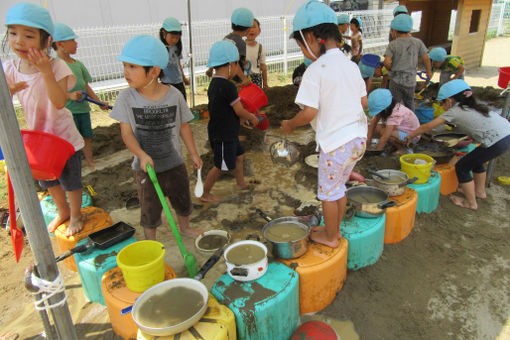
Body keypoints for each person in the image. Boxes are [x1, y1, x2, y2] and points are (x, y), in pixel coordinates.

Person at [282, 0, 368, 248]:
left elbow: (309, 113)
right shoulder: (351, 65)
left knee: (328, 193)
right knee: (338, 188)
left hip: (336, 144)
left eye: (301, 45)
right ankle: (334, 229)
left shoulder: (315, 70)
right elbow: (363, 101)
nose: (302, 51)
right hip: (358, 140)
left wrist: (289, 124)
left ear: (311, 36)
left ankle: (330, 237)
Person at [110, 35, 203, 239]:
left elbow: (184, 126)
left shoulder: (174, 95)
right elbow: (126, 133)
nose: (126, 72)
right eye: (125, 65)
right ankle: (151, 240)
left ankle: (185, 228)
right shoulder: (126, 98)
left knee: (182, 199)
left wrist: (194, 154)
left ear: (154, 71)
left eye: (133, 66)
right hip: (146, 168)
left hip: (174, 162)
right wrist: (141, 155)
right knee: (149, 206)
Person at [4, 3, 84, 236]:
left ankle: (76, 214)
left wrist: (46, 72)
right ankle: (63, 212)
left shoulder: (56, 66)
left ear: (46, 41)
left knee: (71, 181)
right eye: (12, 33)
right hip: (40, 139)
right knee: (50, 181)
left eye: (29, 35)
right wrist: (7, 92)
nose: (19, 41)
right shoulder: (10, 68)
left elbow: (59, 101)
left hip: (64, 138)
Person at [406, 80, 510, 210]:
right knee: (476, 160)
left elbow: (428, 126)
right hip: (505, 134)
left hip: (496, 141)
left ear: (449, 101)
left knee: (462, 167)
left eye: (441, 102)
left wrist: (410, 135)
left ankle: (470, 203)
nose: (441, 105)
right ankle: (479, 192)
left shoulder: (454, 111)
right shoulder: (473, 105)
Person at [200, 41, 259, 203]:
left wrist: (239, 122)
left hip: (223, 130)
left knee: (239, 155)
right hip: (224, 135)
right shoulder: (228, 86)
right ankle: (205, 193)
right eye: (236, 65)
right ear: (231, 65)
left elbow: (224, 110)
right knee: (220, 166)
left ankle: (240, 183)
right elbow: (239, 110)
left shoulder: (214, 84)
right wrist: (252, 117)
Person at [52, 23, 109, 168]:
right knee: (70, 139)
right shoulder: (55, 66)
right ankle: (74, 165)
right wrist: (69, 95)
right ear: (60, 44)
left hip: (83, 109)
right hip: (67, 112)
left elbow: (86, 86)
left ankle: (90, 161)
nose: (76, 44)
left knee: (87, 136)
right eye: (73, 40)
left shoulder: (78, 65)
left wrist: (98, 102)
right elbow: (53, 91)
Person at [384, 14, 432, 113]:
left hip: (396, 80)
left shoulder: (393, 44)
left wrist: (390, 68)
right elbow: (426, 58)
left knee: (394, 104)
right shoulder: (417, 42)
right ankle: (412, 124)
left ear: (394, 31)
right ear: (410, 30)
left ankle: (393, 124)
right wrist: (429, 72)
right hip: (410, 81)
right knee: (410, 102)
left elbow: (387, 62)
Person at [206, 8, 254, 85]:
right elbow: (235, 63)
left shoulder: (226, 38)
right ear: (248, 28)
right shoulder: (240, 43)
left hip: (223, 77)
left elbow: (219, 57)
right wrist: (244, 78)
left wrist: (210, 69)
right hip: (235, 80)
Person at [159, 17, 190, 99]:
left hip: (178, 82)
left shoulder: (176, 47)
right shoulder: (160, 48)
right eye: (172, 37)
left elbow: (178, 64)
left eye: (177, 38)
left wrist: (184, 78)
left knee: (182, 103)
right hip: (166, 83)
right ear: (164, 33)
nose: (175, 40)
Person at [245, 19, 268, 90]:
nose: (251, 29)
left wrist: (265, 82)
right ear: (243, 31)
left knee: (255, 99)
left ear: (259, 30)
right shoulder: (240, 46)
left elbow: (263, 66)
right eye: (248, 27)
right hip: (243, 78)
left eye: (254, 27)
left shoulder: (261, 48)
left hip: (256, 79)